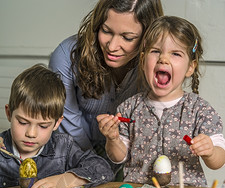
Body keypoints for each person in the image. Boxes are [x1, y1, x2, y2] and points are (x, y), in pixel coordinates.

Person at [97, 16, 225, 187]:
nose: (163, 59)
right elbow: (118, 157)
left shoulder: (200, 110)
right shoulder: (128, 108)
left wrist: (210, 151)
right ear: (142, 60)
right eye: (155, 51)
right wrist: (112, 139)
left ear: (190, 67)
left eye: (176, 53)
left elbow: (218, 161)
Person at [49, 0, 163, 163]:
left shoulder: (158, 64)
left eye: (127, 37)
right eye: (106, 31)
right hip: (73, 155)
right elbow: (66, 124)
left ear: (148, 37)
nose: (112, 46)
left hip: (131, 159)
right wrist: (94, 166)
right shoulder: (66, 55)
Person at [0, 64, 114, 188]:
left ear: (56, 123)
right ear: (9, 113)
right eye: (23, 122)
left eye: (43, 126)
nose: (31, 134)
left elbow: (103, 169)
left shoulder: (63, 146)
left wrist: (65, 180)